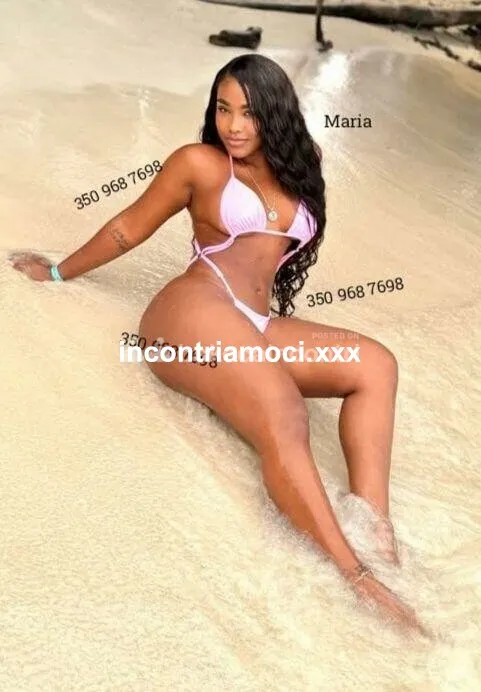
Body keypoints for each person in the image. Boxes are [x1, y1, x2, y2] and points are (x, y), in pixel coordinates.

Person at [10, 54, 430, 638]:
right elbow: (129, 228)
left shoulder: (303, 163)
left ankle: (375, 531)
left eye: (248, 113)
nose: (232, 125)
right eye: (222, 109)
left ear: (275, 115)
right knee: (283, 409)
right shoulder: (200, 163)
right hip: (188, 314)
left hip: (250, 324)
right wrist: (56, 273)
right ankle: (355, 576)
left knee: (375, 364)